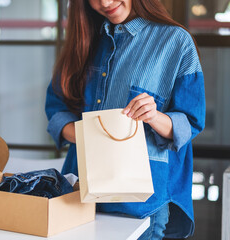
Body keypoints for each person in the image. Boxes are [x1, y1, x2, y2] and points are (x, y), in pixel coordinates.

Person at [45, 0, 206, 239]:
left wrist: (154, 116)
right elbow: (57, 109)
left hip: (141, 207)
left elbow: (190, 122)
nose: (105, 2)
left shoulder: (176, 41)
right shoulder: (85, 40)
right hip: (78, 197)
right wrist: (89, 136)